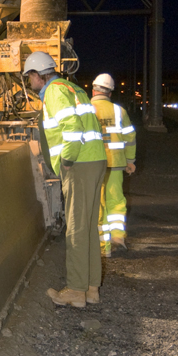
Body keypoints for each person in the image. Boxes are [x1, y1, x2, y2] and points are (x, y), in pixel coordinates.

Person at [23, 52, 107, 309]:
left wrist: (67, 160)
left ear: (38, 76)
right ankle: (91, 288)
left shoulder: (54, 92)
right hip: (95, 161)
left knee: (76, 229)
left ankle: (75, 290)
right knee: (89, 226)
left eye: (29, 78)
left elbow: (72, 127)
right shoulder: (74, 88)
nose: (29, 83)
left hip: (79, 164)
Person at [91, 73, 136, 255]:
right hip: (116, 163)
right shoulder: (120, 111)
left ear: (93, 90)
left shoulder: (86, 109)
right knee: (116, 201)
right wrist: (130, 160)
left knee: (98, 203)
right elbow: (130, 137)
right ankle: (118, 237)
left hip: (95, 163)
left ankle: (104, 247)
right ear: (110, 93)